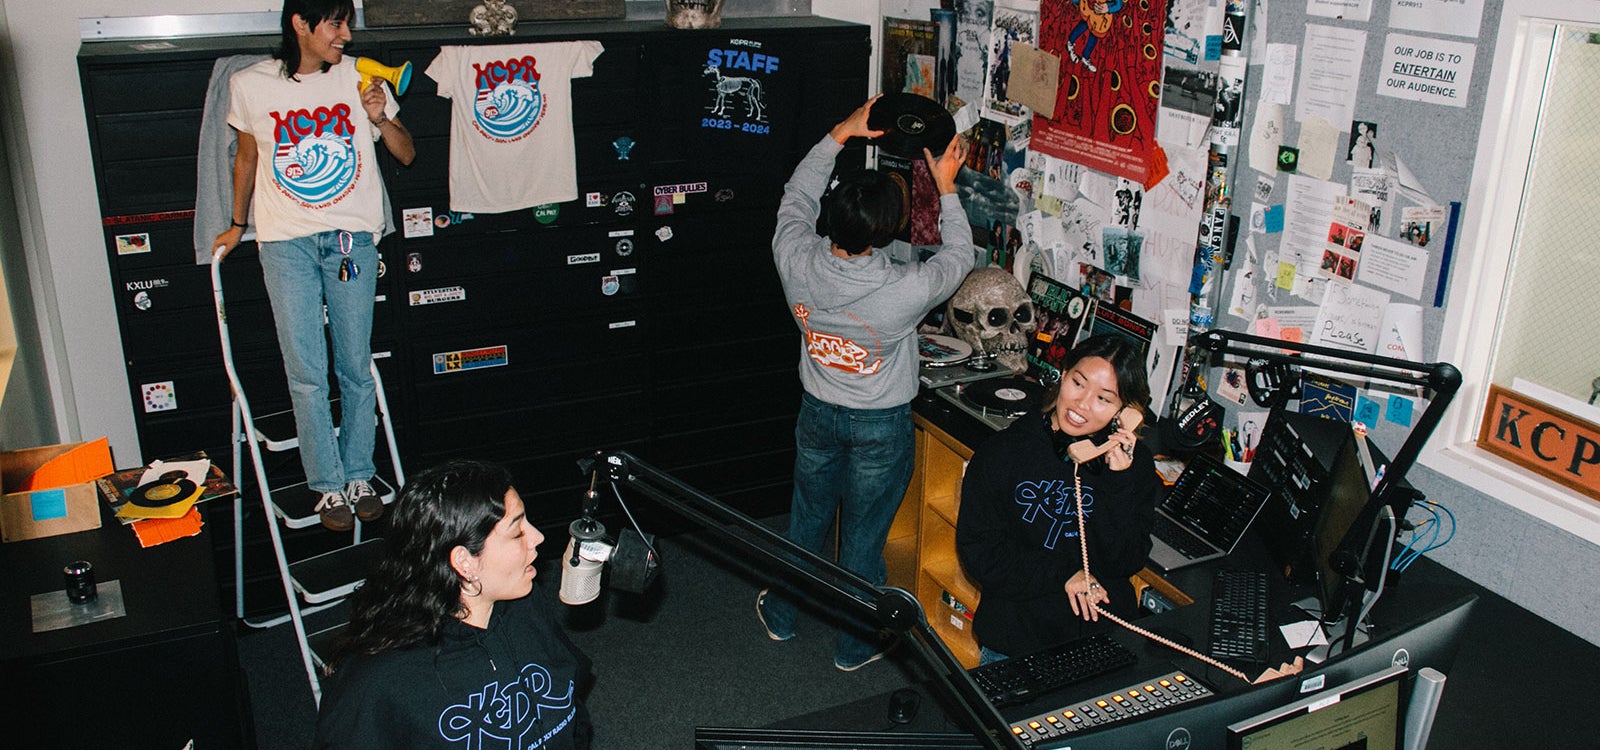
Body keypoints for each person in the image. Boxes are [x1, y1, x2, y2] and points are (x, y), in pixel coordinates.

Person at [758, 96, 973, 671]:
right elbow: (959, 256)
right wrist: (946, 185)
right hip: (879, 424)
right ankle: (854, 647)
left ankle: (782, 614)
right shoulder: (906, 288)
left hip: (817, 414)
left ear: (834, 216)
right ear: (885, 233)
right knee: (862, 538)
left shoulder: (793, 256)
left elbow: (795, 196)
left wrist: (841, 131)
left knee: (807, 519)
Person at [213, 0, 415, 531]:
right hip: (286, 245)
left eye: (347, 22)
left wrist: (381, 116)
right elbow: (247, 157)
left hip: (350, 242)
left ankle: (358, 475)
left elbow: (407, 153)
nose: (346, 34)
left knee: (354, 363)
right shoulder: (251, 83)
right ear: (301, 24)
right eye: (336, 23)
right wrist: (236, 224)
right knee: (305, 369)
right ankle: (326, 487)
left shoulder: (359, 78)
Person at [313, 460, 593, 749]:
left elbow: (570, 705)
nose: (538, 537)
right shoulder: (379, 679)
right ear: (464, 561)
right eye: (517, 531)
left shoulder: (524, 604)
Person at [955, 335, 1159, 664]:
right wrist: (1064, 574)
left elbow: (1126, 560)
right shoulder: (1003, 453)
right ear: (1063, 375)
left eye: (1104, 399)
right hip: (1016, 639)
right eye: (1078, 383)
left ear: (1126, 412)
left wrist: (1118, 482)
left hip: (1099, 642)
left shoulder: (1133, 465)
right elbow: (981, 553)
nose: (1081, 404)